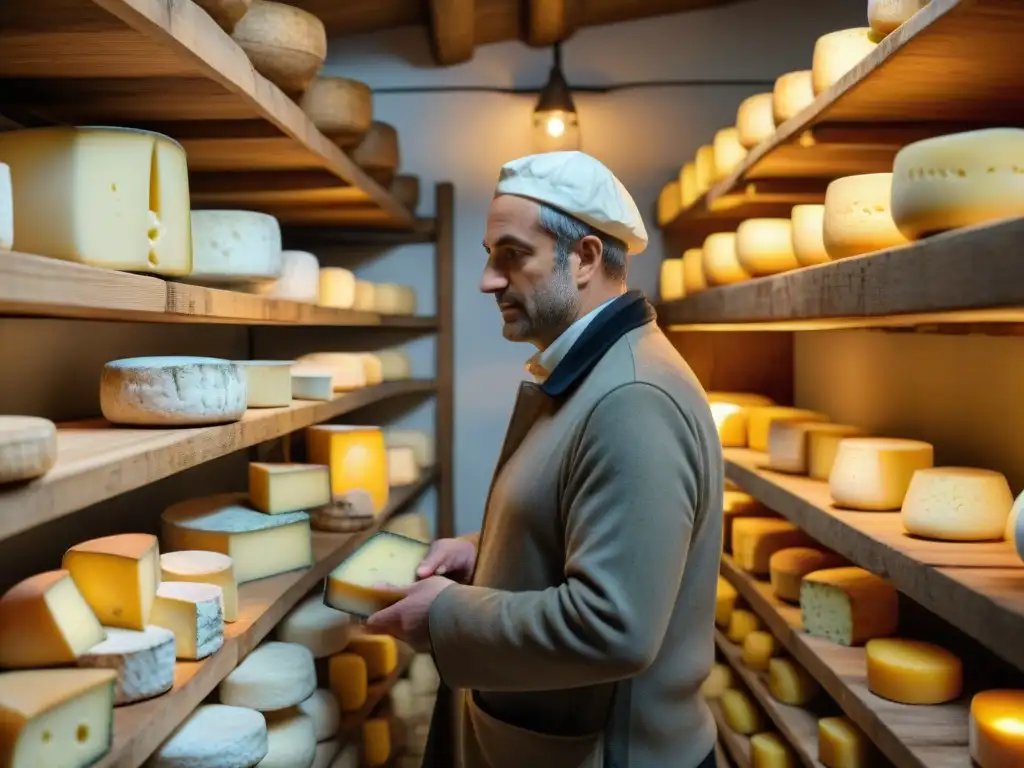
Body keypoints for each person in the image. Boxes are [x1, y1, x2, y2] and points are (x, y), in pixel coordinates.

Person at [366, 150, 723, 768]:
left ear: (583, 258)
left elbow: (614, 626)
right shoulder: (594, 374)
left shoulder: (634, 397)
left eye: (512, 254)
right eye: (489, 254)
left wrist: (447, 616)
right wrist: (490, 549)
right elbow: (586, 518)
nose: (487, 280)